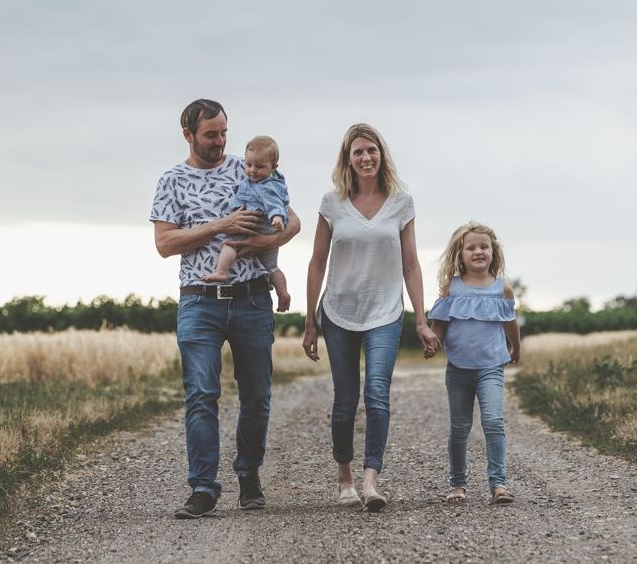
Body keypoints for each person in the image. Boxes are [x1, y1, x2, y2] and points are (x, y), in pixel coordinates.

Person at [151, 99, 300, 519]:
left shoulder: (250, 167)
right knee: (201, 393)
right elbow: (164, 244)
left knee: (257, 395)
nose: (219, 142)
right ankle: (202, 487)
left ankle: (249, 475)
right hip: (199, 300)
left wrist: (261, 243)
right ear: (188, 135)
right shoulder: (172, 180)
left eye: (223, 133)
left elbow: (292, 223)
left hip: (252, 297)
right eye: (210, 135)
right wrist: (221, 226)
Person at [300, 123, 439, 513]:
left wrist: (421, 320)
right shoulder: (332, 203)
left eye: (372, 151)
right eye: (358, 152)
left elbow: (411, 264)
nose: (366, 157)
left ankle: (370, 480)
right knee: (345, 399)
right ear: (348, 158)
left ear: (382, 155)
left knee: (377, 393)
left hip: (385, 312)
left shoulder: (401, 202)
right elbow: (316, 264)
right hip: (339, 313)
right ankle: (344, 478)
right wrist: (310, 321)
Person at [425, 221, 522, 505]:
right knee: (460, 426)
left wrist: (515, 346)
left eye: (484, 247)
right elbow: (440, 322)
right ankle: (457, 484)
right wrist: (433, 342)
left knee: (493, 421)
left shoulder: (502, 288)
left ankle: (499, 484)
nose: (478, 251)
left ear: (494, 252)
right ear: (460, 254)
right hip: (458, 368)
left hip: (491, 366)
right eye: (471, 248)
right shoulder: (450, 287)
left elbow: (510, 322)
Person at [203, 135, 293, 312]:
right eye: (248, 165)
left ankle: (221, 271)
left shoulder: (268, 186)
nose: (252, 170)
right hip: (268, 233)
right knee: (272, 267)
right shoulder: (262, 180)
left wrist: (277, 218)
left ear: (273, 167)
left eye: (259, 167)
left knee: (230, 243)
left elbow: (275, 204)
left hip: (255, 225)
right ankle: (283, 293)